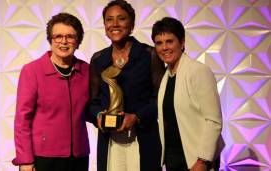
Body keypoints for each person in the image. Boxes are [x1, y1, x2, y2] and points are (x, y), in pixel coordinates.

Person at [88, 0, 165, 171]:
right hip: (110, 141)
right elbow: (92, 102)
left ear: (132, 24)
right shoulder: (98, 59)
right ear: (104, 25)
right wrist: (99, 115)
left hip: (143, 138)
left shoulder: (149, 55)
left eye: (121, 19)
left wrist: (137, 117)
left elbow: (160, 99)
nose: (114, 24)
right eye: (109, 19)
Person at [12, 12, 90, 171]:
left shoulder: (87, 70)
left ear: (78, 41)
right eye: (58, 36)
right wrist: (25, 160)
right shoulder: (32, 71)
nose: (64, 41)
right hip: (44, 157)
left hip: (79, 157)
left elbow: (91, 109)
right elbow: (22, 119)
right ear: (50, 40)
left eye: (70, 36)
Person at [151, 17, 224, 171]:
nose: (164, 47)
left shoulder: (198, 71)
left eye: (169, 41)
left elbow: (213, 120)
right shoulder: (166, 77)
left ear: (182, 43)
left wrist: (202, 161)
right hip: (173, 159)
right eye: (159, 43)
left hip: (196, 160)